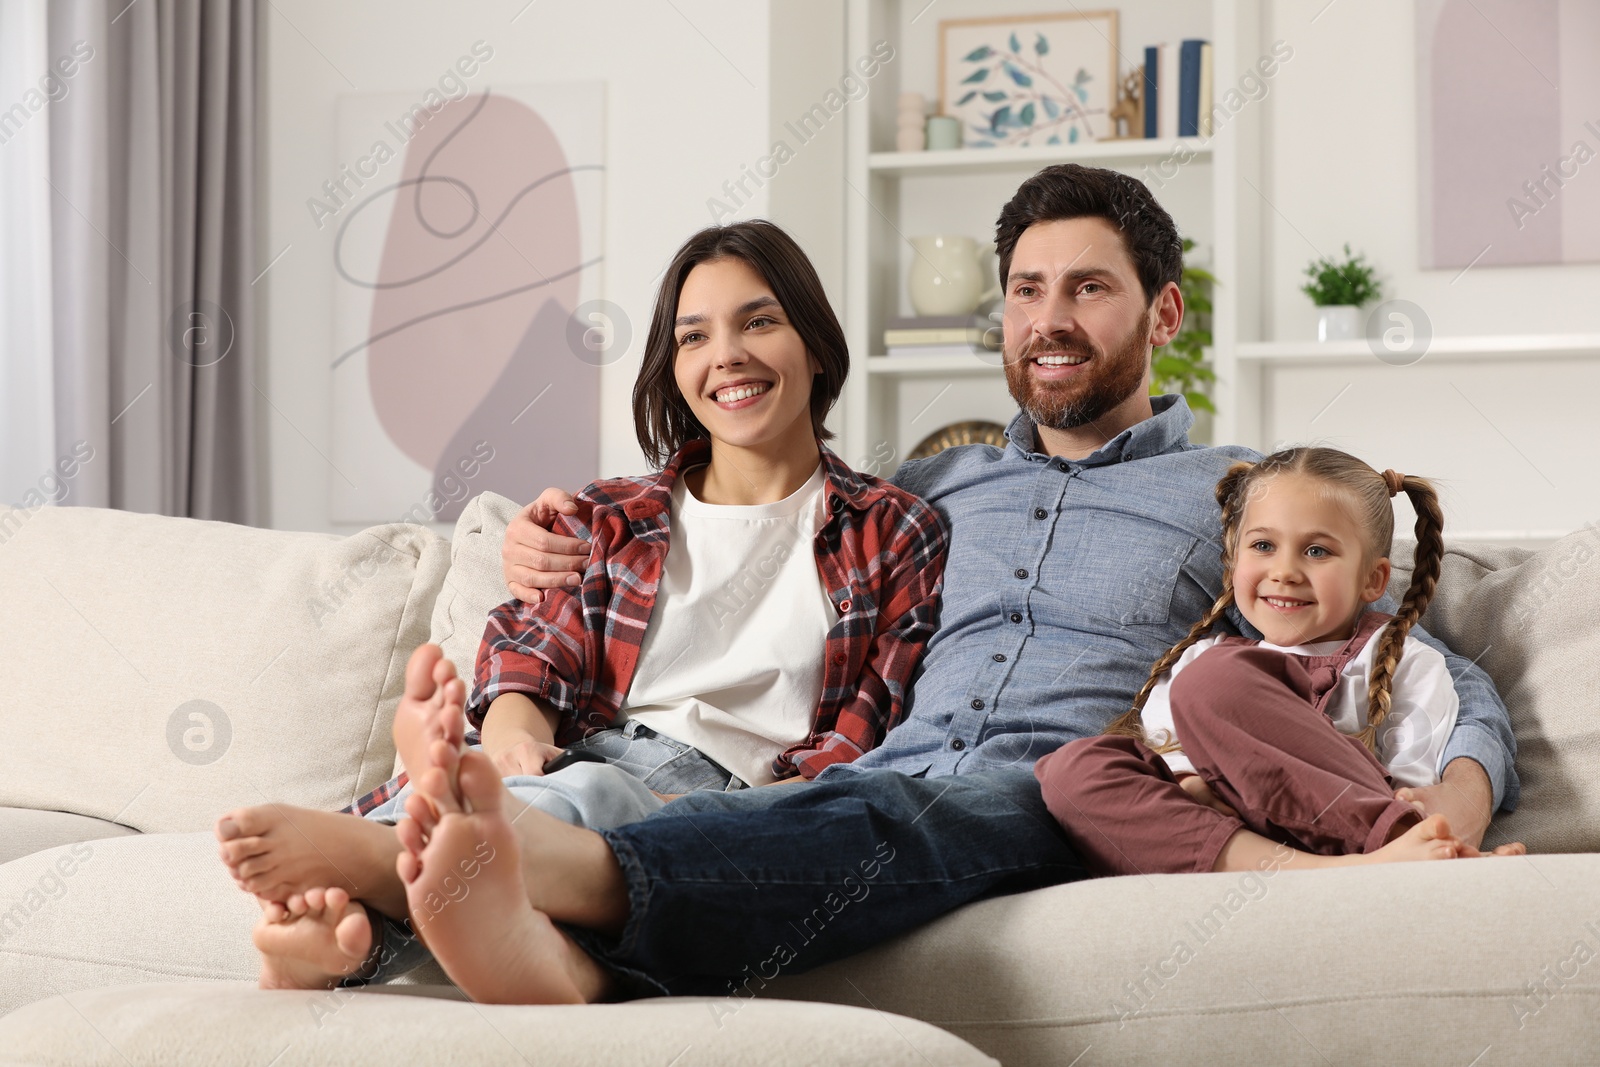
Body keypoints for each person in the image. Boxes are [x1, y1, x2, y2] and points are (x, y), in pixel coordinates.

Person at [236, 164, 1521, 1005]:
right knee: (810, 806)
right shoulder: (922, 493)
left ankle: (512, 857)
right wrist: (545, 537)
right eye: (1024, 292)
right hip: (884, 761)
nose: (1048, 318)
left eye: (1087, 287)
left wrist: (1447, 798)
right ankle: (526, 938)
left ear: (1164, 312)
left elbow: (1416, 647)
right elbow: (757, 487)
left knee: (884, 821)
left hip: (1053, 789)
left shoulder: (1244, 493)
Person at [213, 220, 948, 992]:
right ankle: (344, 935)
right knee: (527, 794)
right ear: (675, 369)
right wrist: (512, 739)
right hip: (572, 752)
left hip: (715, 789)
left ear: (818, 347)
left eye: (759, 321)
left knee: (583, 803)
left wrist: (755, 819)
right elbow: (532, 654)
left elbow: (864, 731)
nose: (726, 353)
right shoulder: (611, 515)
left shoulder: (894, 530)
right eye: (693, 337)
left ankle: (377, 858)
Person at [1034, 446, 1528, 877]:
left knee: (1215, 684)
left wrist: (1413, 823)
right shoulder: (1200, 659)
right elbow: (1171, 764)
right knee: (1072, 766)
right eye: (1263, 546)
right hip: (1238, 838)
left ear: (1373, 581)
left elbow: (1412, 788)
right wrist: (1190, 786)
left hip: (1347, 826)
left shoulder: (1401, 661)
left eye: (1316, 551)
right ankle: (1343, 874)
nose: (1285, 571)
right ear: (1233, 562)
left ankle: (1390, 850)